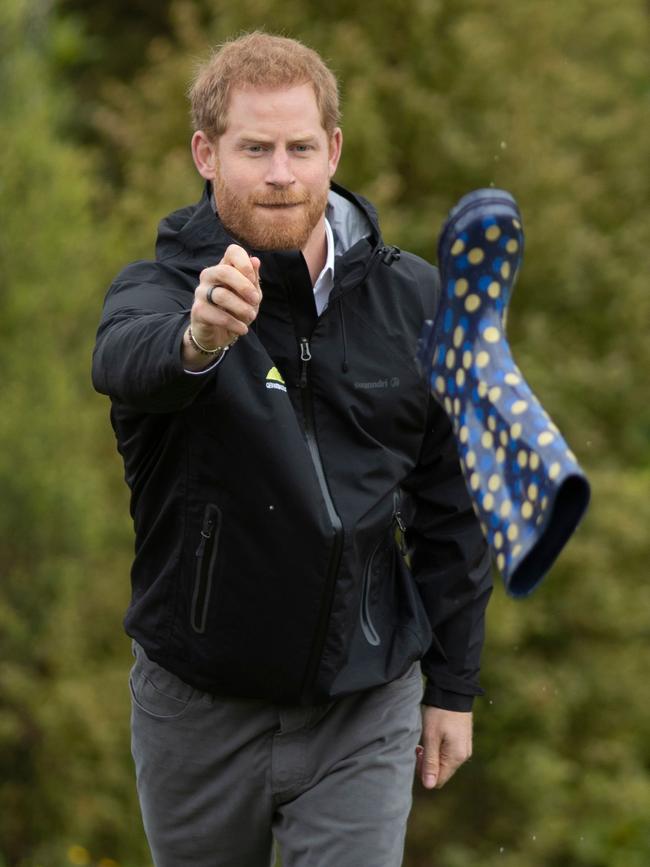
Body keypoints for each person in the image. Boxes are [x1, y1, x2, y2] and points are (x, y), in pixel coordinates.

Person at [92, 31, 492, 867]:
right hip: (194, 706)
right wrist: (199, 340)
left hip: (365, 702)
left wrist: (452, 686)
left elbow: (453, 505)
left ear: (333, 148)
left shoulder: (416, 299)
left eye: (301, 147)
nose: (282, 172)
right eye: (255, 148)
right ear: (206, 153)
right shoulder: (160, 291)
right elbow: (125, 361)